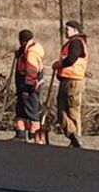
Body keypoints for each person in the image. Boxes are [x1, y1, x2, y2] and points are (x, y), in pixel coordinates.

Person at [51, 19, 89, 148]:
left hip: (73, 81)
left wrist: (59, 64)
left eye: (67, 29)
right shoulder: (72, 43)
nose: (65, 32)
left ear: (75, 30)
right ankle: (73, 136)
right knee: (62, 111)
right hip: (67, 79)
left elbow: (72, 59)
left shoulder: (76, 42)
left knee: (72, 109)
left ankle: (76, 137)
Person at [11, 29, 46, 143]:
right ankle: (20, 134)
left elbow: (31, 72)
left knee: (32, 110)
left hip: (29, 86)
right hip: (22, 85)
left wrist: (28, 89)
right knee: (20, 110)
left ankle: (36, 135)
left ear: (22, 40)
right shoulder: (25, 51)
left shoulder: (31, 53)